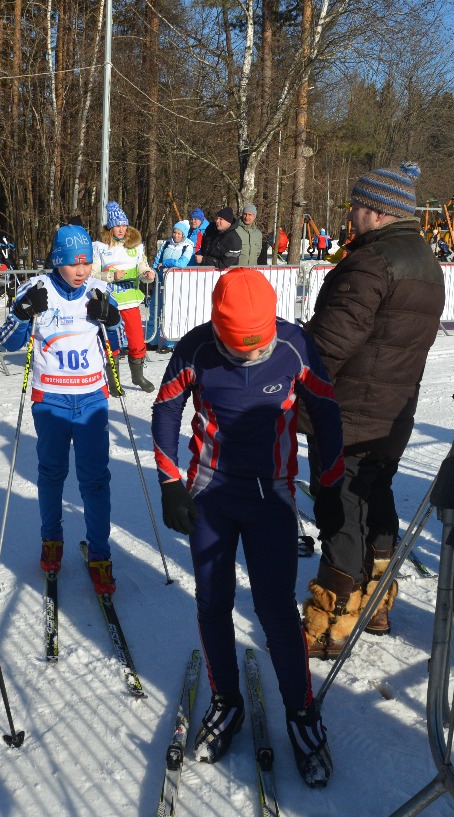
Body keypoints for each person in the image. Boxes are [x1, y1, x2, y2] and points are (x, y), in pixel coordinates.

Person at [152, 267, 345, 786]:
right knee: (212, 603)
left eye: (257, 352)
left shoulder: (294, 345)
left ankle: (301, 712)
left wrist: (330, 486)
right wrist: (170, 480)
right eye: (239, 353)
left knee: (275, 610)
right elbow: (166, 408)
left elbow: (327, 410)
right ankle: (227, 700)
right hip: (212, 493)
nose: (250, 360)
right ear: (218, 330)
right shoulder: (195, 348)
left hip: (273, 496)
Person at [301, 162, 445, 657]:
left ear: (377, 211)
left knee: (340, 507)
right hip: (393, 412)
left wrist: (298, 387)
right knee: (375, 496)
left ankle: (329, 623)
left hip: (350, 412)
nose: (351, 216)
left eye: (356, 207)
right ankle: (377, 599)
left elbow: (332, 341)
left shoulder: (371, 261)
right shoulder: (424, 260)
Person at [0, 224, 123, 595]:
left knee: (95, 480)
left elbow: (121, 344)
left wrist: (111, 320)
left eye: (86, 262)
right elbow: (5, 341)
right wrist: (22, 314)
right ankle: (51, 540)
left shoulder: (99, 290)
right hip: (50, 399)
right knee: (51, 474)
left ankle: (100, 554)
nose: (81, 270)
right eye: (73, 263)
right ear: (57, 261)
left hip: (90, 400)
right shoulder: (37, 289)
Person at [92, 201, 157, 392]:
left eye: (124, 225)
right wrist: (111, 276)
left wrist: (148, 274)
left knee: (137, 341)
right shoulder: (100, 248)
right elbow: (92, 274)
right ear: (111, 227)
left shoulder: (136, 248)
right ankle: (114, 381)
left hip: (130, 301)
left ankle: (138, 377)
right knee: (112, 342)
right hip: (110, 302)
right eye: (117, 225)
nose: (121, 229)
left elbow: (143, 267)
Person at [148, 221, 195, 352]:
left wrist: (166, 263)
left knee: (171, 312)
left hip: (175, 284)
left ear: (184, 235)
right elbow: (156, 262)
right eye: (174, 232)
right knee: (154, 311)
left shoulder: (188, 247)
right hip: (160, 282)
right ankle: (152, 340)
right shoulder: (166, 244)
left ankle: (169, 343)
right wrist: (153, 276)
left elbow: (181, 263)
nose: (176, 235)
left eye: (179, 233)